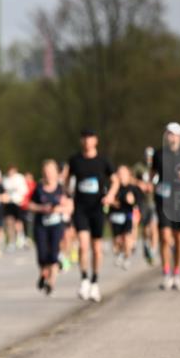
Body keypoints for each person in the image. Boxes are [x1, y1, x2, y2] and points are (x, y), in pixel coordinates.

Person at [63, 128, 118, 303]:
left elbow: (115, 180)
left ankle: (95, 282)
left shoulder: (103, 161)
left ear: (96, 141)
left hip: (97, 208)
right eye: (84, 138)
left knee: (96, 248)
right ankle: (84, 279)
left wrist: (110, 196)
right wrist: (68, 195)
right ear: (81, 141)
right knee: (83, 245)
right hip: (80, 208)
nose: (87, 142)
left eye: (90, 138)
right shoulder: (75, 160)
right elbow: (66, 179)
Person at [152, 122, 180, 291]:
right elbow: (153, 175)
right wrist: (150, 184)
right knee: (164, 236)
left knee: (178, 238)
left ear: (179, 136)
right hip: (163, 201)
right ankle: (165, 273)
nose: (169, 136)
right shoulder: (158, 154)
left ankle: (177, 273)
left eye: (172, 133)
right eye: (167, 133)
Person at [28, 159, 72, 295]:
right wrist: (42, 208)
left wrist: (58, 209)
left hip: (56, 226)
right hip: (41, 225)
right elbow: (29, 205)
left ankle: (51, 283)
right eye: (46, 172)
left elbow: (70, 207)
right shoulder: (38, 188)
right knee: (42, 255)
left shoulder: (62, 188)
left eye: (51, 171)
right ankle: (43, 273)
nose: (48, 175)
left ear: (56, 172)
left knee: (53, 254)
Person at [107, 165, 142, 270]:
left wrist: (132, 201)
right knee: (117, 240)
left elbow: (138, 202)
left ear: (128, 175)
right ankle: (119, 254)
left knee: (127, 238)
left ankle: (127, 257)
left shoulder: (133, 188)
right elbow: (107, 200)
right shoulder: (113, 187)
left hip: (127, 215)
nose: (121, 176)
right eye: (119, 174)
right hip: (115, 216)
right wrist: (112, 202)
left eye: (123, 174)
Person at [2, 165, 29, 250]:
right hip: (9, 203)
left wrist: (20, 198)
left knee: (18, 222)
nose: (10, 172)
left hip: (18, 202)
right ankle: (11, 241)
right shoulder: (5, 179)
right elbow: (4, 191)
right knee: (9, 222)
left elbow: (25, 190)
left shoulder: (19, 178)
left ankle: (21, 238)